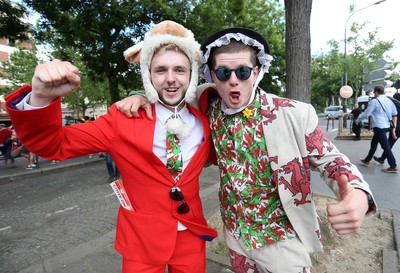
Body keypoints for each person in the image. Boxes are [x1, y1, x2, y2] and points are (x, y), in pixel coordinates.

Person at [117, 27, 376, 273]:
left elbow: (333, 161)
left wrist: (358, 194)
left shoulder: (293, 113)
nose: (232, 81)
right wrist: (140, 94)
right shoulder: (208, 104)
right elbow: (169, 90)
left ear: (256, 71)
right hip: (236, 240)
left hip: (282, 242)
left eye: (242, 72)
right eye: (223, 73)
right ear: (211, 75)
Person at [5, 20, 217, 273]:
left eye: (180, 70)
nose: (171, 79)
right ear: (148, 74)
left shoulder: (205, 119)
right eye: (160, 70)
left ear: (192, 73)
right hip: (141, 242)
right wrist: (41, 97)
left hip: (191, 236)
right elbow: (52, 144)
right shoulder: (122, 119)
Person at [357, 85, 398, 173]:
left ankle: (393, 166)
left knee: (385, 146)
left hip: (379, 126)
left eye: (374, 92)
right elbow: (395, 113)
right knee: (374, 142)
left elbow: (367, 113)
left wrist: (358, 120)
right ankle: (367, 160)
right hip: (386, 125)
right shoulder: (389, 100)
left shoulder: (374, 101)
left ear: (376, 92)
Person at [373, 92, 400, 165]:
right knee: (389, 143)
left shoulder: (395, 103)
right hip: (396, 127)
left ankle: (392, 165)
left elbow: (394, 117)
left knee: (388, 144)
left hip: (397, 127)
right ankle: (382, 158)